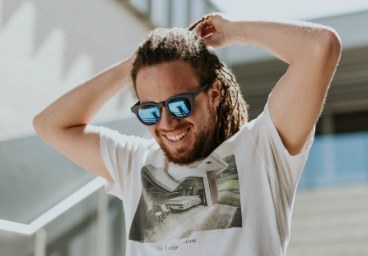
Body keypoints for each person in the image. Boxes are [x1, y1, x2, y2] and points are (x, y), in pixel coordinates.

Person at [33, 13, 341, 256]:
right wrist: (133, 65)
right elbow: (49, 125)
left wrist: (233, 31)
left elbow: (320, 47)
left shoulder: (262, 150)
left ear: (214, 94)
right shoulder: (134, 163)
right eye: (150, 110)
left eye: (179, 105)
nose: (167, 123)